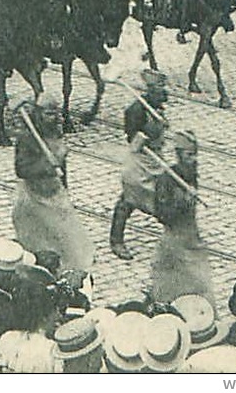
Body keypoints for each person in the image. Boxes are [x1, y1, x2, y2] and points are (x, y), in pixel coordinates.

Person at [10, 93, 93, 273]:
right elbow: (21, 170)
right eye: (48, 114)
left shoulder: (55, 131)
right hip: (35, 194)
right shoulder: (27, 137)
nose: (53, 118)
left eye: (55, 113)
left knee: (64, 229)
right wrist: (46, 167)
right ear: (38, 114)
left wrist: (64, 184)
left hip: (54, 190)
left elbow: (62, 163)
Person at [111, 68, 169, 260]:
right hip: (139, 162)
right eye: (160, 89)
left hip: (156, 159)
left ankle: (172, 240)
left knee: (163, 198)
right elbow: (133, 141)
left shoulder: (157, 107)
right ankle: (116, 240)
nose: (164, 93)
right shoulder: (136, 110)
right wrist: (148, 132)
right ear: (150, 91)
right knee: (128, 200)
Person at [151, 129, 212, 305]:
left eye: (195, 155)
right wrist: (183, 202)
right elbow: (162, 214)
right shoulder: (166, 180)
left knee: (200, 286)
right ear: (178, 154)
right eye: (189, 155)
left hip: (192, 238)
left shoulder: (191, 174)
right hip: (173, 243)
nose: (194, 159)